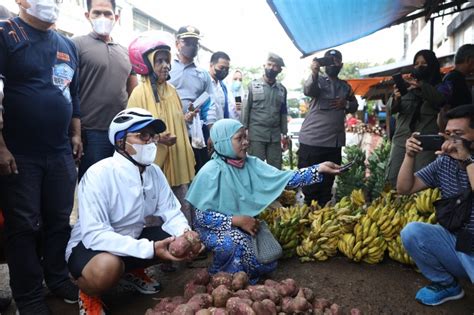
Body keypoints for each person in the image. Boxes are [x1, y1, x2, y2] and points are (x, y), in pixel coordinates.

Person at [66, 108, 203, 315]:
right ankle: (88, 292)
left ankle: (132, 271)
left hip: (132, 238)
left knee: (175, 240)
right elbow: (95, 234)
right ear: (121, 141)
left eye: (152, 135)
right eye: (142, 136)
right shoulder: (99, 174)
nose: (150, 142)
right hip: (91, 247)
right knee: (107, 268)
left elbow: (171, 212)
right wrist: (150, 248)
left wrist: (186, 235)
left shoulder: (154, 172)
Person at [0, 1, 82, 314]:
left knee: (59, 221)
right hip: (19, 153)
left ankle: (58, 277)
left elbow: (73, 95)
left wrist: (75, 134)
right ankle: (29, 296)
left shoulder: (66, 44)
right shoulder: (6, 34)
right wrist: (0, 146)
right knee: (23, 227)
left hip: (60, 151)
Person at [186, 119, 342, 283]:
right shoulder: (209, 172)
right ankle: (219, 275)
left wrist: (318, 168)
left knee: (266, 262)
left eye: (245, 137)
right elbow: (202, 218)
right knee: (233, 243)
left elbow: (283, 179)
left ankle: (237, 274)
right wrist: (236, 220)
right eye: (239, 139)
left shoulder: (251, 164)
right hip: (211, 228)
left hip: (242, 223)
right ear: (223, 141)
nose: (246, 143)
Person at [397, 104, 474, 306]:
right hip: (460, 245)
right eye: (448, 134)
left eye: (458, 134)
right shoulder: (444, 162)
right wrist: (409, 156)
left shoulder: (467, 159)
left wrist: (467, 160)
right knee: (412, 232)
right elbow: (405, 188)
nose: (451, 141)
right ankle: (448, 285)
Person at [127, 31, 195, 224]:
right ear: (147, 64)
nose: (165, 65)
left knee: (181, 208)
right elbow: (130, 134)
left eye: (167, 60)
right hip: (153, 165)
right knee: (155, 212)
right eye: (159, 61)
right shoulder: (138, 93)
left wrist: (184, 118)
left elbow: (174, 119)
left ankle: (184, 246)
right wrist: (158, 139)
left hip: (177, 162)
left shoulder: (172, 91)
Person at [74, 0, 137, 181]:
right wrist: (76, 133)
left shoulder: (126, 53)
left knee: (119, 186)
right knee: (93, 186)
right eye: (97, 13)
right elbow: (70, 91)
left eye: (108, 13)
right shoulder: (76, 45)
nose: (103, 18)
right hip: (92, 132)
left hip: (122, 132)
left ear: (116, 17)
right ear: (88, 16)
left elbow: (134, 93)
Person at [298, 49, 358, 206]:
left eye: (336, 60)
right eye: (329, 60)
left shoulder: (345, 87)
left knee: (327, 185)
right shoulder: (318, 80)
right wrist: (314, 72)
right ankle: (309, 214)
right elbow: (309, 90)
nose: (333, 63)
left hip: (333, 143)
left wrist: (345, 104)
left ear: (341, 64)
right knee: (310, 184)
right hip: (313, 142)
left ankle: (323, 213)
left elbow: (354, 105)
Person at [386, 50, 445, 187]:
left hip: (425, 143)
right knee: (394, 179)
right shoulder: (405, 85)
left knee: (421, 182)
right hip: (402, 141)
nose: (419, 66)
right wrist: (396, 97)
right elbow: (390, 109)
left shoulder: (439, 86)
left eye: (424, 63)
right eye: (416, 63)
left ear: (432, 66)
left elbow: (440, 100)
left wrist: (421, 86)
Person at [168, 25, 216, 173]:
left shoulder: (202, 75)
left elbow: (210, 106)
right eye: (187, 41)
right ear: (177, 44)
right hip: (170, 132)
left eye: (195, 43)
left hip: (194, 135)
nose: (192, 46)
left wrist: (212, 134)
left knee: (197, 173)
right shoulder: (167, 68)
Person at [242, 52, 288, 169]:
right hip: (256, 134)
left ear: (280, 70)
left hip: (275, 136)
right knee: (256, 168)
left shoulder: (282, 90)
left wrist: (285, 133)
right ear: (264, 66)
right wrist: (243, 130)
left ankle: (276, 188)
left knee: (275, 168)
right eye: (269, 64)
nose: (271, 68)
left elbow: (283, 113)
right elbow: (245, 109)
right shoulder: (253, 86)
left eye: (275, 66)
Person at [437, 44, 474, 131]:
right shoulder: (453, 79)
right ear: (469, 60)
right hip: (456, 130)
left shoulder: (454, 78)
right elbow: (444, 108)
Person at [207, 51, 239, 125]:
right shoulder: (204, 84)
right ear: (211, 65)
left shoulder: (223, 87)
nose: (224, 71)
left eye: (227, 69)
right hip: (205, 131)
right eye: (221, 67)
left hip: (220, 130)